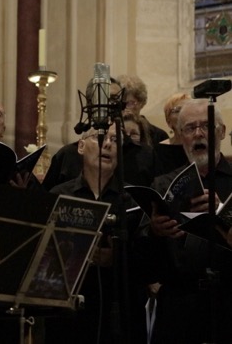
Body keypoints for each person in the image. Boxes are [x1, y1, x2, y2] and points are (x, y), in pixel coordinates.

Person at [46, 124, 146, 344]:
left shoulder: (132, 199)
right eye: (100, 137)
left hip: (118, 308)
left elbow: (146, 261)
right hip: (67, 314)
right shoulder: (58, 195)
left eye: (114, 139)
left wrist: (116, 257)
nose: (108, 143)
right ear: (81, 146)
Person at [145, 98, 232, 343]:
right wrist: (154, 231)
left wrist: (222, 212)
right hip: (178, 308)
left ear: (222, 132)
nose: (198, 134)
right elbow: (144, 260)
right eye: (190, 128)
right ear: (179, 136)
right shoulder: (162, 185)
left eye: (206, 126)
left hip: (228, 300)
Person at [43, 77, 161, 191]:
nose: (110, 106)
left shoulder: (144, 155)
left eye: (115, 100)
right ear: (90, 105)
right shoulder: (67, 156)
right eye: (105, 100)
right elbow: (46, 202)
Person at [117, 74, 169, 144]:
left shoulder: (158, 135)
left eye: (130, 103)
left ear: (141, 103)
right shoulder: (110, 132)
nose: (125, 108)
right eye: (120, 103)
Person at [155, 93, 190, 174]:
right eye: (177, 110)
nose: (183, 114)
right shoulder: (159, 151)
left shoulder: (201, 146)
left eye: (187, 109)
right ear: (168, 121)